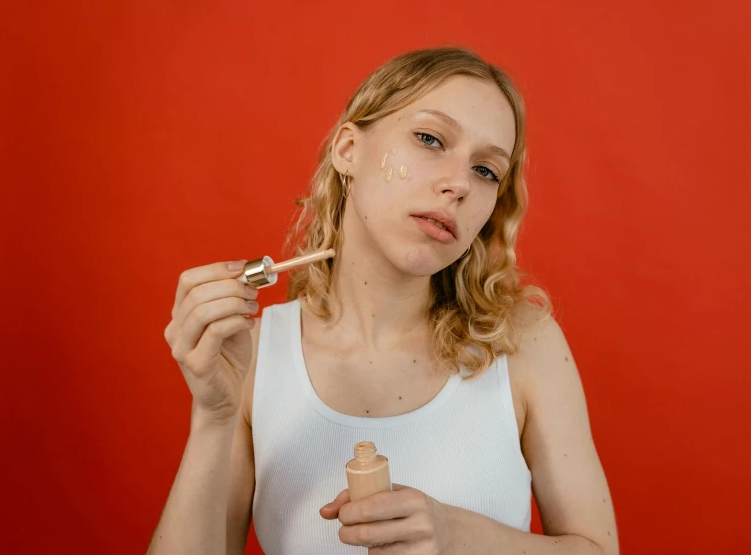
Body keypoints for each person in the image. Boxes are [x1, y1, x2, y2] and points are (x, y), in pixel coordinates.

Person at [149, 47, 619, 554]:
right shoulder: (254, 357)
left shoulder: (523, 343)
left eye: (486, 171)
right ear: (349, 149)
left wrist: (457, 535)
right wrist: (213, 417)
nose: (459, 184)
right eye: (430, 139)